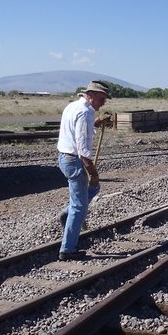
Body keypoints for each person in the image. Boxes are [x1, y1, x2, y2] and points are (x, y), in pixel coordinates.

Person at [56, 80, 111, 260]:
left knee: (93, 190)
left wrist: (96, 123)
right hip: (75, 160)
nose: (103, 103)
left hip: (64, 157)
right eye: (102, 99)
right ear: (91, 95)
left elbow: (76, 130)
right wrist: (93, 173)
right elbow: (83, 148)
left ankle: (67, 213)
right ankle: (68, 250)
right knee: (80, 207)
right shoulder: (85, 111)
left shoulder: (72, 107)